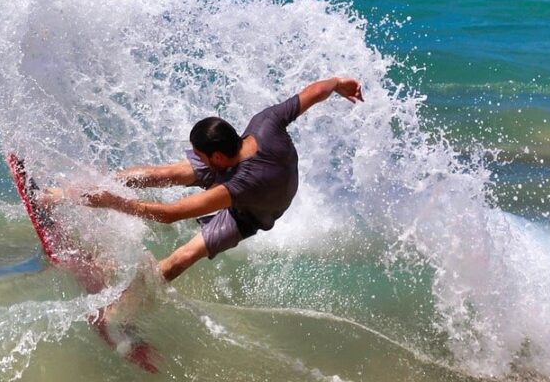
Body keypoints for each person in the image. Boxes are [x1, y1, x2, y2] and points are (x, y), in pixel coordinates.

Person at [80, 77, 364, 283]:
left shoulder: (240, 185)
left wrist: (112, 202)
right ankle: (78, 189)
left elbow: (170, 215)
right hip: (258, 175)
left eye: (198, 154)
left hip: (251, 212)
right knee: (161, 174)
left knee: (180, 260)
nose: (194, 157)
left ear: (216, 157)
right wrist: (338, 83)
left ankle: (120, 315)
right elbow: (315, 91)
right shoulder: (265, 122)